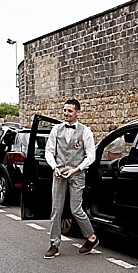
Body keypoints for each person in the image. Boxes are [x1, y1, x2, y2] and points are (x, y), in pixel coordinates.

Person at [43, 98, 99, 259]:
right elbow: (49, 151)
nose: (66, 113)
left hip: (77, 174)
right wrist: (54, 167)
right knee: (56, 210)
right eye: (65, 110)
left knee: (76, 209)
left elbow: (91, 156)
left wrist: (76, 170)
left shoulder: (86, 131)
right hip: (59, 173)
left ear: (77, 113)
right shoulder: (56, 129)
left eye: (70, 111)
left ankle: (91, 237)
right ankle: (54, 244)